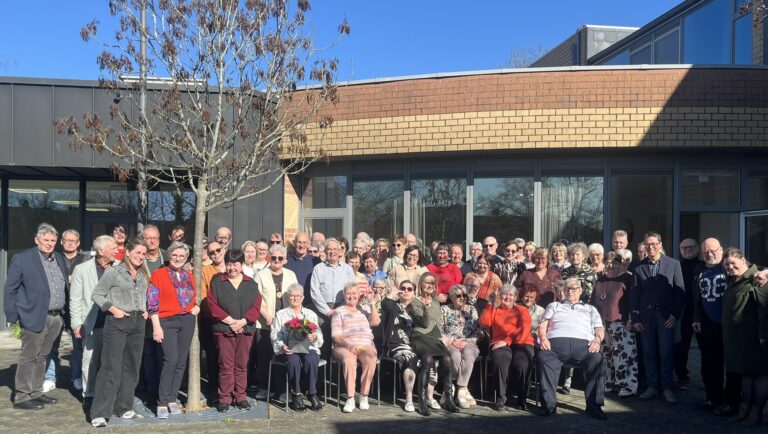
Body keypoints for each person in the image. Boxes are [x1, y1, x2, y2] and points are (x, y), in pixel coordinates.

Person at [4, 223, 68, 410]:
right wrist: (12, 315)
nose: (49, 244)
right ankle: (22, 397)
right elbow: (10, 289)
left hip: (56, 317)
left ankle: (36, 392)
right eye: (46, 240)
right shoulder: (23, 259)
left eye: (53, 241)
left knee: (43, 356)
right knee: (29, 356)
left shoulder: (58, 258)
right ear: (37, 240)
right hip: (33, 315)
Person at [89, 238, 149, 427]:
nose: (140, 256)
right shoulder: (113, 272)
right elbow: (97, 295)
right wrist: (114, 309)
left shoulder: (142, 274)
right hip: (117, 322)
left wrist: (146, 309)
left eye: (143, 254)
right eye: (137, 252)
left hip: (138, 323)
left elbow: (146, 295)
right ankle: (99, 413)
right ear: (128, 253)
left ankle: (124, 407)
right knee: (110, 367)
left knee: (132, 367)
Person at [207, 249, 270, 413]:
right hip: (223, 329)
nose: (232, 268)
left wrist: (242, 321)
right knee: (225, 365)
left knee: (241, 365)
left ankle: (240, 397)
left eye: (235, 264)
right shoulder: (217, 283)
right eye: (228, 264)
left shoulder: (251, 284)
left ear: (241, 265)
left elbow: (256, 306)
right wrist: (229, 321)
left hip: (245, 329)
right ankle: (225, 398)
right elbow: (212, 305)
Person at [537, 278, 607, 420]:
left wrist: (597, 339)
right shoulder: (554, 306)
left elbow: (599, 328)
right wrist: (543, 338)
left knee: (597, 358)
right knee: (544, 358)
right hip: (555, 348)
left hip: (584, 348)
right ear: (563, 291)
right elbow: (543, 325)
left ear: (581, 291)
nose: (570, 291)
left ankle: (594, 406)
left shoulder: (590, 309)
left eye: (574, 288)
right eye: (567, 288)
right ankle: (549, 405)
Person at [147, 241, 200, 419]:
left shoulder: (188, 276)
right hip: (165, 321)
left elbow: (192, 298)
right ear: (169, 256)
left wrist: (196, 307)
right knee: (170, 360)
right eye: (175, 255)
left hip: (187, 321)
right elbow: (152, 303)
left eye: (182, 256)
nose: (178, 258)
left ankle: (172, 398)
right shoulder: (158, 275)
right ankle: (162, 401)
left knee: (181, 361)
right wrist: (156, 326)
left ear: (186, 259)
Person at [631, 231, 685, 404]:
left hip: (666, 317)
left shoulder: (674, 264)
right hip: (646, 318)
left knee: (666, 352)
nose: (651, 247)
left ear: (660, 245)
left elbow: (680, 292)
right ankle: (653, 386)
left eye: (654, 244)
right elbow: (634, 295)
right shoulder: (639, 267)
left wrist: (675, 315)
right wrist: (636, 318)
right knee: (648, 352)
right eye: (648, 244)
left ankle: (667, 387)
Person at [692, 238, 741, 415]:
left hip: (730, 324)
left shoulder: (728, 267)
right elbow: (696, 295)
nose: (709, 254)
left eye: (713, 250)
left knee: (732, 365)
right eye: (705, 251)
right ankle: (713, 397)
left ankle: (732, 402)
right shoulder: (699, 269)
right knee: (710, 364)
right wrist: (696, 317)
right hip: (708, 324)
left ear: (721, 250)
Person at [69, 235, 118, 409]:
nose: (116, 250)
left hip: (115, 324)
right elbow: (75, 298)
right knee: (90, 360)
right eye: (112, 248)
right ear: (100, 251)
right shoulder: (81, 269)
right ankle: (89, 394)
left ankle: (110, 395)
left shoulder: (119, 267)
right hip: (91, 322)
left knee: (112, 361)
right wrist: (76, 323)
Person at [721, 248, 768, 426]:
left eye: (733, 263)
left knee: (761, 375)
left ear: (743, 260)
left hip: (757, 339)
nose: (730, 267)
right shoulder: (733, 280)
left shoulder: (757, 278)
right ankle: (744, 410)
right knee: (746, 376)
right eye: (726, 265)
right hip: (739, 341)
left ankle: (756, 413)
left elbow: (766, 308)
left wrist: (764, 335)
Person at [409, 273, 460, 415]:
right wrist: (425, 307)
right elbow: (424, 323)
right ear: (421, 285)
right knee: (428, 359)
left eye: (432, 283)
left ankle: (448, 399)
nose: (429, 286)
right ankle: (422, 400)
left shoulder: (436, 300)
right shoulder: (416, 301)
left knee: (447, 359)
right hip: (421, 336)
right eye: (426, 283)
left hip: (435, 337)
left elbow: (439, 320)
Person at [253, 244, 298, 399]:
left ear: (285, 260)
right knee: (265, 356)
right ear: (269, 258)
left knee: (283, 355)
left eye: (280, 258)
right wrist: (267, 316)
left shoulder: (291, 275)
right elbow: (256, 299)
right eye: (274, 258)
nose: (277, 260)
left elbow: (295, 296)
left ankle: (283, 390)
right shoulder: (260, 275)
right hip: (265, 322)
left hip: (286, 324)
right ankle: (265, 387)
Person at [480, 285, 534, 411]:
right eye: (504, 294)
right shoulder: (495, 309)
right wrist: (490, 303)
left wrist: (507, 340)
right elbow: (484, 323)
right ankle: (501, 395)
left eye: (511, 295)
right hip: (499, 343)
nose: (507, 297)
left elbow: (524, 329)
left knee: (522, 362)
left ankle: (522, 397)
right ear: (500, 296)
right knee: (500, 357)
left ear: (515, 297)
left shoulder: (521, 310)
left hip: (522, 341)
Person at [44, 228, 85, 394]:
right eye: (66, 240)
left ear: (78, 243)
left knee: (78, 346)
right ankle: (50, 377)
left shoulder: (85, 260)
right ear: (61, 242)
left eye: (73, 241)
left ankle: (76, 377)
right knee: (52, 345)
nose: (69, 243)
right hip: (58, 309)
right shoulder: (54, 259)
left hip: (77, 309)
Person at [270, 283, 324, 411]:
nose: (295, 299)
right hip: (289, 349)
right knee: (293, 360)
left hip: (308, 348)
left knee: (311, 359)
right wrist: (282, 346)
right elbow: (274, 335)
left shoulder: (310, 314)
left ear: (303, 298)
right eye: (292, 296)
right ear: (288, 297)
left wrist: (314, 337)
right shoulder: (281, 314)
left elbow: (319, 335)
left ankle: (312, 393)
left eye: (298, 296)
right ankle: (297, 394)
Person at [591, 252, 637, 398]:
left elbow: (633, 300)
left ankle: (627, 385)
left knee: (623, 356)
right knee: (606, 355)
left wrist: (631, 318)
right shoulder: (600, 280)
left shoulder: (627, 279)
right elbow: (593, 302)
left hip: (621, 323)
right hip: (602, 323)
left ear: (620, 263)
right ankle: (609, 383)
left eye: (614, 262)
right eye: (608, 262)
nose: (610, 265)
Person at [331, 282, 381, 413]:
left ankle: (364, 396)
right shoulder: (339, 311)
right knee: (349, 360)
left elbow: (375, 322)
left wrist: (372, 303)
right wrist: (349, 345)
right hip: (344, 346)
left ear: (359, 295)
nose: (351, 296)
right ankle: (350, 397)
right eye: (348, 293)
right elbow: (336, 336)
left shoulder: (364, 308)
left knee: (371, 357)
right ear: (344, 295)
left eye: (354, 293)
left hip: (364, 345)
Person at [440, 284, 482, 409]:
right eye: (458, 296)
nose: (462, 298)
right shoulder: (444, 309)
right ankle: (463, 390)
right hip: (450, 343)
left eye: (464, 295)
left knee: (469, 354)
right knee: (455, 356)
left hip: (468, 342)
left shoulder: (472, 309)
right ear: (452, 297)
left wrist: (467, 341)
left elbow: (478, 331)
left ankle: (457, 388)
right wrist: (452, 341)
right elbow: (440, 330)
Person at [380, 280, 419, 412]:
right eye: (403, 288)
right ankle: (409, 398)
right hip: (395, 344)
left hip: (415, 345)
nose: (406, 291)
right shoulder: (394, 306)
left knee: (432, 358)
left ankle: (429, 397)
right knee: (410, 357)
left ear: (414, 293)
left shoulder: (416, 308)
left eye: (409, 289)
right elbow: (385, 305)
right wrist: (393, 294)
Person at [199, 240, 227, 396]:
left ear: (223, 249)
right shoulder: (206, 271)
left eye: (218, 250)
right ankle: (214, 391)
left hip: (232, 320)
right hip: (212, 320)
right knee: (213, 356)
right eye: (212, 252)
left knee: (228, 358)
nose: (216, 254)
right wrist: (218, 314)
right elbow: (203, 297)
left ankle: (228, 389)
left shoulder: (233, 266)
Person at [675, 238, 702, 391]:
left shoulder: (704, 265)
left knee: (706, 348)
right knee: (682, 346)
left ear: (697, 249)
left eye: (691, 247)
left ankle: (708, 379)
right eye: (684, 248)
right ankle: (682, 376)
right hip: (683, 313)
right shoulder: (676, 265)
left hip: (701, 313)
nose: (687, 250)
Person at [285, 232, 320, 307]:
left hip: (312, 305)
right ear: (294, 243)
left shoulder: (316, 261)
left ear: (308, 244)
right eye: (299, 242)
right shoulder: (287, 263)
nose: (301, 245)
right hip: (293, 304)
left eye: (304, 242)